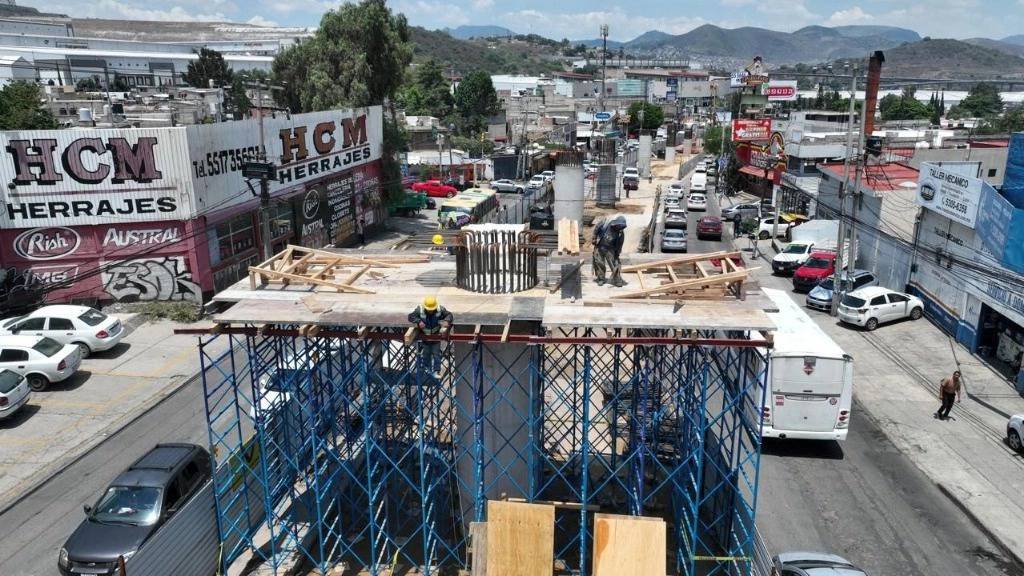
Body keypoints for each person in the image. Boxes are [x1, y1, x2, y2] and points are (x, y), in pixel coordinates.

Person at [408, 296, 453, 378]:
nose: (431, 311)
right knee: (426, 354)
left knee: (436, 354)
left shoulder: (440, 309)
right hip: (425, 337)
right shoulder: (420, 310)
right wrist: (419, 321)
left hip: (436, 336)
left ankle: (436, 371)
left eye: (432, 309)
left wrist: (447, 321)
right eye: (429, 309)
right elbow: (411, 316)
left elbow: (449, 315)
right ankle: (426, 369)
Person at [592, 215, 627, 287]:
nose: (619, 227)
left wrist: (617, 253)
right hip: (600, 246)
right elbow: (596, 228)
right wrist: (594, 238)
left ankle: (617, 280)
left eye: (621, 226)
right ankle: (601, 279)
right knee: (599, 263)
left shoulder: (620, 233)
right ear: (616, 223)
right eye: (618, 225)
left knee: (614, 264)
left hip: (610, 249)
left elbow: (620, 244)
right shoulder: (605, 224)